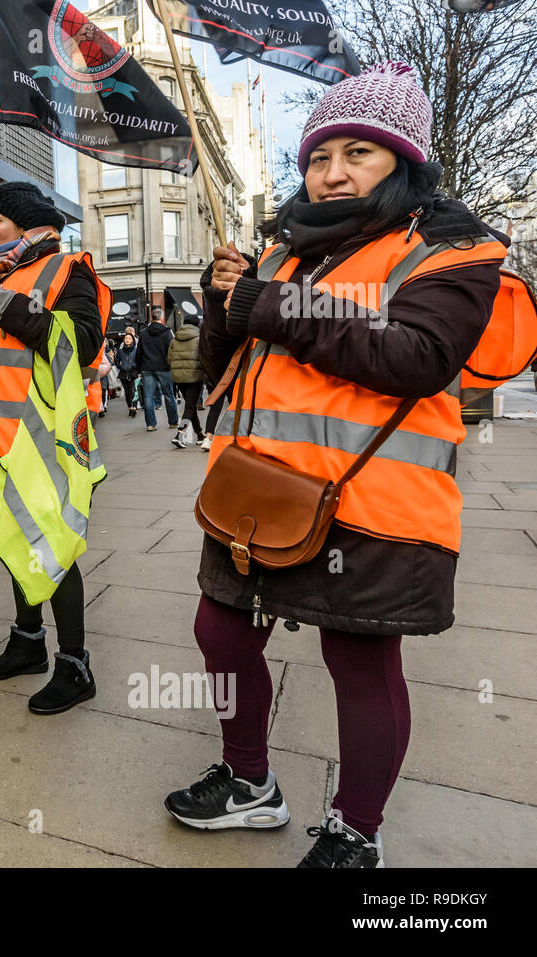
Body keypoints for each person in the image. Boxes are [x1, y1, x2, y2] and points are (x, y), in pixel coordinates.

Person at [164, 62, 507, 868]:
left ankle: (357, 829)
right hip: (257, 495)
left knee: (357, 661)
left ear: (403, 164)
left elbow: (419, 355)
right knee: (220, 631)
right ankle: (250, 782)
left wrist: (273, 305)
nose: (333, 172)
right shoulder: (282, 249)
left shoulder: (450, 249)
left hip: (371, 505)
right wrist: (225, 307)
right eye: (320, 156)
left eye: (359, 152)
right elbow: (225, 370)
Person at [0, 181, 108, 715]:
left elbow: (83, 344)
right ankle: (28, 644)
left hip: (43, 443)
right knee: (16, 541)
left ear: (30, 227)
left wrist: (19, 311)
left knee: (54, 550)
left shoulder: (64, 268)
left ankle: (74, 666)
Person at [167, 312, 205, 447]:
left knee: (191, 406)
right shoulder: (199, 338)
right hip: (195, 377)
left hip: (179, 378)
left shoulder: (175, 339)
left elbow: (169, 359)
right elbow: (204, 357)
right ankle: (180, 434)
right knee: (189, 406)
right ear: (196, 324)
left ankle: (200, 434)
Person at [138, 308, 178, 431]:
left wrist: (139, 368)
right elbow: (172, 350)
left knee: (148, 397)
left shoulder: (144, 333)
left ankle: (151, 424)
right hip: (164, 368)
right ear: (161, 317)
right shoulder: (167, 332)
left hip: (147, 367)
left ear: (152, 318)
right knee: (169, 395)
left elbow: (139, 352)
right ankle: (173, 422)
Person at [115, 330, 140, 417]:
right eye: (126, 338)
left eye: (129, 338)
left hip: (133, 373)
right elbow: (116, 360)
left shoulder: (136, 350)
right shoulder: (121, 351)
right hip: (123, 373)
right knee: (127, 392)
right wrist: (120, 367)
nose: (127, 340)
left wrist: (135, 366)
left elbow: (139, 360)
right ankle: (130, 407)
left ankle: (134, 407)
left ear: (133, 340)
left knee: (133, 390)